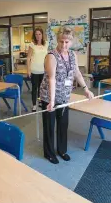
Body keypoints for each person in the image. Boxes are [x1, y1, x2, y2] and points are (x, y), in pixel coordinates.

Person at [39, 26, 94, 164]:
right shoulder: (51, 56)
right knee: (49, 126)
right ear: (58, 41)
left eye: (67, 42)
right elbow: (51, 79)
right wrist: (51, 101)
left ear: (72, 42)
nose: (64, 45)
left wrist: (86, 89)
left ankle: (62, 150)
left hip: (64, 96)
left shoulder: (73, 55)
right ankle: (49, 153)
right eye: (61, 41)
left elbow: (77, 73)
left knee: (63, 125)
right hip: (49, 96)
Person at [27, 27, 48, 112]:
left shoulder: (46, 44)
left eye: (39, 34)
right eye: (36, 34)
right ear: (34, 35)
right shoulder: (32, 45)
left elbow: (47, 57)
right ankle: (34, 105)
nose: (38, 36)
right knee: (35, 88)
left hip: (43, 70)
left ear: (42, 35)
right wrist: (28, 70)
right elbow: (28, 58)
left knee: (41, 88)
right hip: (34, 70)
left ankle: (39, 101)